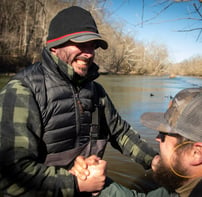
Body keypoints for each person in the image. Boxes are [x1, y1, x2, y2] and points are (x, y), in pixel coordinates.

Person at [0, 6, 157, 197]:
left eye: (93, 46)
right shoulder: (24, 91)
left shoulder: (96, 91)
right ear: (55, 46)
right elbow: (10, 177)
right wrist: (74, 183)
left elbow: (120, 133)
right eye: (81, 44)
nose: (89, 53)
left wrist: (154, 160)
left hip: (89, 185)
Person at [91, 87, 202, 197]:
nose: (157, 138)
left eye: (163, 134)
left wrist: (91, 182)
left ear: (196, 153)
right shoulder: (184, 185)